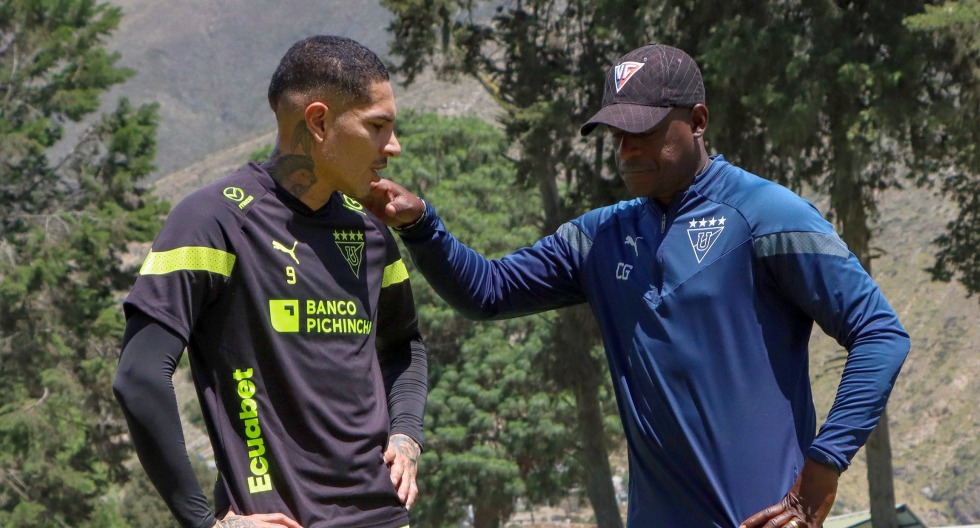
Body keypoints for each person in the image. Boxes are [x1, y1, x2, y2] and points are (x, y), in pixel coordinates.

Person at [360, 43, 910, 527]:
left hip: (764, 517)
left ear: (697, 120)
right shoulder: (602, 237)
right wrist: (422, 225)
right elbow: (488, 292)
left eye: (643, 131)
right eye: (617, 134)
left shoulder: (766, 214)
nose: (626, 149)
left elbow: (880, 333)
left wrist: (821, 470)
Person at [113, 35, 427, 528]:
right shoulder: (212, 221)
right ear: (319, 122)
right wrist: (206, 524)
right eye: (377, 126)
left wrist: (406, 435)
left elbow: (404, 345)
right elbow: (139, 376)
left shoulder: (370, 232)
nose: (393, 146)